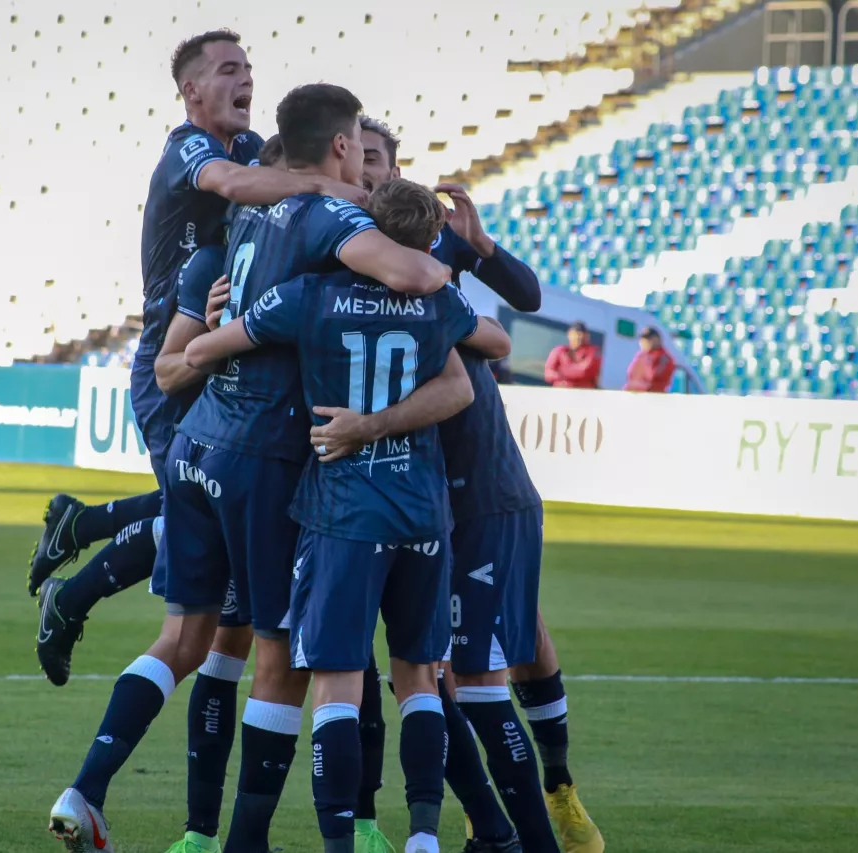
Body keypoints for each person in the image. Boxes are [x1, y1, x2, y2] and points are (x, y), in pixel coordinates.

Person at [43, 83, 464, 852]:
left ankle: (86, 789)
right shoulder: (326, 216)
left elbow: (178, 362)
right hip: (269, 457)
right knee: (282, 660)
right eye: (358, 156)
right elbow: (412, 278)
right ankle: (243, 841)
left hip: (200, 443)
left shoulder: (242, 217)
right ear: (340, 146)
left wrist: (214, 333)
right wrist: (439, 260)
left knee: (187, 639)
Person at [185, 178, 513, 853]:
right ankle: (424, 833)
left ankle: (339, 840)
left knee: (336, 683)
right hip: (421, 508)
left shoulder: (310, 296)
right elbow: (497, 343)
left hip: (341, 511)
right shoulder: (439, 302)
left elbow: (199, 353)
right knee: (419, 676)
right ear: (425, 242)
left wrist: (219, 318)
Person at [347, 121, 605, 853]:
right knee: (435, 670)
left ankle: (550, 796)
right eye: (354, 157)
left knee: (496, 653)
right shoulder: (339, 244)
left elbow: (519, 300)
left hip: (478, 479)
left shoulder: (432, 247)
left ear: (397, 174)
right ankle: (492, 824)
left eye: (375, 160)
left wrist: (481, 247)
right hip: (416, 490)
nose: (363, 171)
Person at [544, 322, 601, 389]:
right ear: (569, 334)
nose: (578, 338)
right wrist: (560, 377)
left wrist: (561, 371)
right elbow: (548, 373)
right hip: (560, 393)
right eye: (575, 334)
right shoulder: (559, 351)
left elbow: (584, 371)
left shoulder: (594, 351)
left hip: (583, 394)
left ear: (587, 336)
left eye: (581, 335)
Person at [623, 326, 674, 393]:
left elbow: (654, 378)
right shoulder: (641, 355)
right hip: (633, 396)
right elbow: (631, 375)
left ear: (656, 339)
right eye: (642, 339)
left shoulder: (664, 358)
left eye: (648, 338)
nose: (643, 341)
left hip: (652, 398)